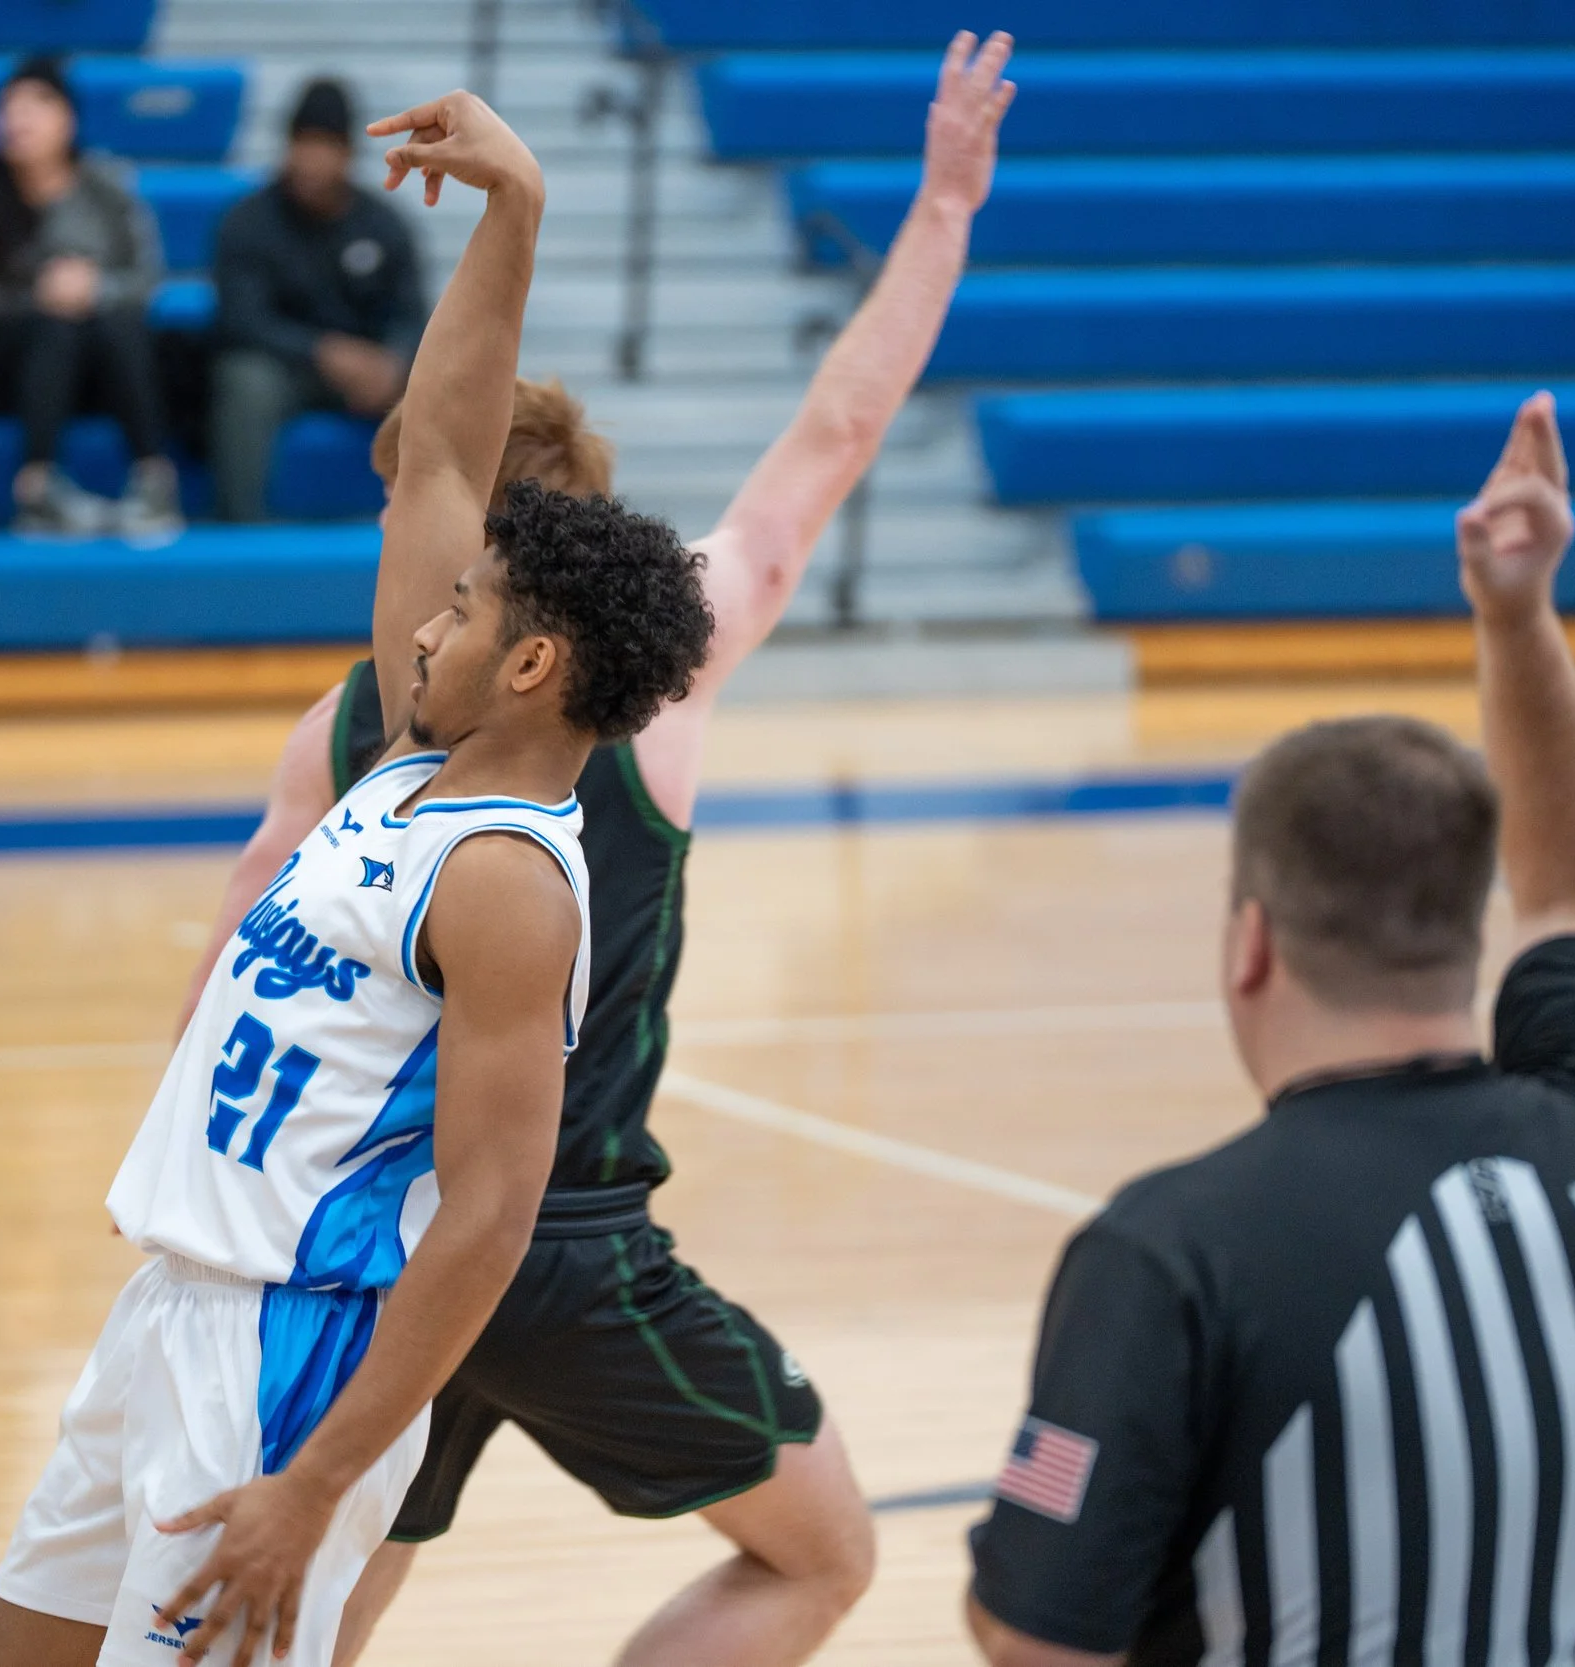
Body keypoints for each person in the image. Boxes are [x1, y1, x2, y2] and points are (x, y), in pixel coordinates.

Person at [178, 31, 1018, 1667]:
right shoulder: (651, 692)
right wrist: (943, 207)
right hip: (552, 1246)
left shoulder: (349, 717)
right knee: (824, 1551)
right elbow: (836, 435)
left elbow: (231, 944)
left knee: (312, 1596)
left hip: (360, 1243)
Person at [0, 91, 716, 1667]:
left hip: (283, 1357)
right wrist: (513, 215)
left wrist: (312, 1483)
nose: (416, 627)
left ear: (528, 658)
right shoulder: (406, 770)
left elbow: (492, 1216)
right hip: (169, 1312)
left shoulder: (508, 879)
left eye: (460, 611)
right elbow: (441, 444)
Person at [965, 391, 1575, 1665]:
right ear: (1469, 930)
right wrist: (1515, 619)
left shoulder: (1169, 1248)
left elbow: (1036, 1639)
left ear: (1251, 943)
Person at [0, 56, 180, 538]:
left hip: (96, 353)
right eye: (7, 108)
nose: (18, 120)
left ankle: (153, 480)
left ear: (69, 118)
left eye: (35, 106)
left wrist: (95, 288)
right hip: (5, 356)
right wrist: (33, 297)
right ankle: (36, 488)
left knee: (119, 324)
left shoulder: (107, 183)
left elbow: (147, 279)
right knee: (53, 327)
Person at [210, 78, 428, 522]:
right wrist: (322, 351)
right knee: (245, 381)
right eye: (302, 143)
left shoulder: (383, 224)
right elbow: (241, 319)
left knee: (440, 382)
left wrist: (393, 360)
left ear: (348, 153)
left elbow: (412, 313)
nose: (311, 159)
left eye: (324, 145)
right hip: (286, 369)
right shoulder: (248, 221)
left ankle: (441, 530)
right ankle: (241, 530)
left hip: (369, 373)